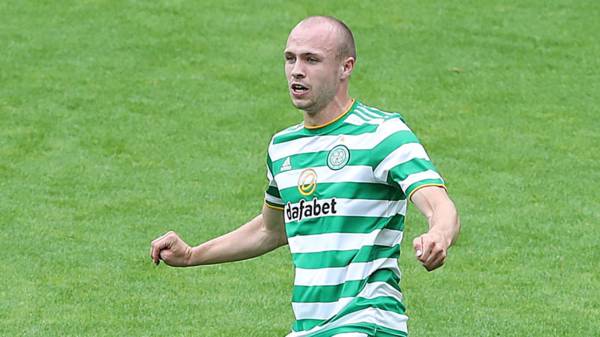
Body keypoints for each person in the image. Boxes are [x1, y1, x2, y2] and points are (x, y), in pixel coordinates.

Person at [150, 16, 460, 337]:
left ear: (346, 67)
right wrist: (192, 255)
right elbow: (270, 230)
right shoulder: (283, 148)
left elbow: (439, 204)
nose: (297, 70)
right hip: (308, 329)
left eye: (312, 59)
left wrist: (439, 233)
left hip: (366, 322)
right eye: (290, 58)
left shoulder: (382, 134)